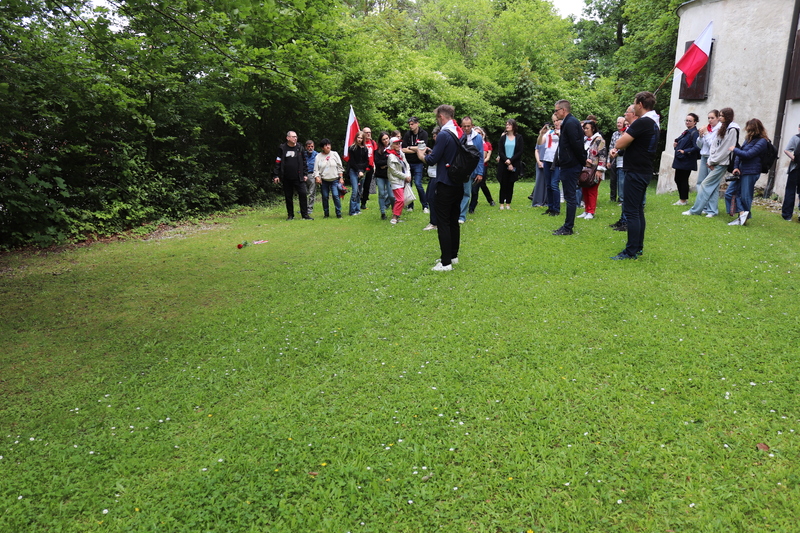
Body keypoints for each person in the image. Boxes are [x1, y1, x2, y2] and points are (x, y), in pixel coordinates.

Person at [609, 91, 659, 259]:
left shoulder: (643, 123)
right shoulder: (653, 122)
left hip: (635, 171)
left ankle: (631, 251)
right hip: (643, 170)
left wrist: (628, 132)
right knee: (637, 211)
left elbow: (619, 143)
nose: (631, 107)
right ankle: (637, 248)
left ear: (640, 104)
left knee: (631, 212)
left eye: (634, 102)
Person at [418, 105, 460, 271]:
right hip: (458, 182)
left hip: (445, 182)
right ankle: (453, 256)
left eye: (437, 118)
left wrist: (422, 155)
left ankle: (445, 263)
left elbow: (432, 160)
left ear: (442, 117)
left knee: (443, 222)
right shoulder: (457, 132)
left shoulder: (443, 134)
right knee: (453, 221)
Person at [683, 107, 740, 217]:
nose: (719, 118)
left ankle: (696, 210)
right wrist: (710, 159)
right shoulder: (723, 128)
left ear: (727, 117)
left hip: (721, 162)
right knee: (709, 185)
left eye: (721, 116)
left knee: (705, 184)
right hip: (712, 159)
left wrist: (713, 161)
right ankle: (711, 211)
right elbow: (713, 146)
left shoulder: (731, 129)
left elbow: (724, 149)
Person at [726, 118, 769, 226]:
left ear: (756, 129)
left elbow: (748, 154)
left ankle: (742, 218)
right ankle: (742, 213)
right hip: (741, 170)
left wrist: (734, 149)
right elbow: (740, 155)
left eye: (750, 130)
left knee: (745, 196)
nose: (748, 132)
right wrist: (735, 167)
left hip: (752, 171)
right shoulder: (748, 139)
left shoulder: (763, 141)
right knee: (729, 193)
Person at [552, 100, 586, 235]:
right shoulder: (568, 122)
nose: (555, 113)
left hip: (571, 165)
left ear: (563, 110)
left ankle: (568, 227)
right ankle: (567, 225)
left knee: (570, 196)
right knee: (568, 195)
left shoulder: (570, 123)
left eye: (556, 110)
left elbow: (576, 144)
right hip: (567, 164)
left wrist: (582, 161)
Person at [273, 131, 312, 220]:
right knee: (288, 196)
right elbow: (278, 161)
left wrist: (305, 174)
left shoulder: (300, 147)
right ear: (288, 138)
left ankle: (305, 215)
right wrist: (276, 175)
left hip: (299, 177)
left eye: (296, 137)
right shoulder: (282, 148)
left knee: (303, 194)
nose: (295, 138)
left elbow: (304, 161)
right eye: (293, 136)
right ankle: (290, 215)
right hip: (286, 177)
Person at [693, 109, 721, 215]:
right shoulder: (708, 129)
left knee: (712, 185)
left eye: (712, 118)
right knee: (700, 182)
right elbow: (700, 145)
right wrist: (701, 136)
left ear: (718, 118)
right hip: (704, 156)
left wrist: (706, 134)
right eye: (708, 118)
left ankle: (712, 209)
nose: (710, 120)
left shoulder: (719, 129)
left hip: (712, 158)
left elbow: (713, 145)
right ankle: (703, 206)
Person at [577, 120, 606, 220]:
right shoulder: (585, 140)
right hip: (586, 169)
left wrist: (599, 170)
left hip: (595, 169)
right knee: (585, 189)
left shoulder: (599, 140)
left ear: (593, 129)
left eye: (587, 128)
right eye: (584, 128)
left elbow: (602, 156)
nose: (585, 130)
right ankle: (586, 210)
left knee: (592, 190)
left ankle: (591, 211)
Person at [671, 113, 700, 206]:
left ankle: (683, 200)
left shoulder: (694, 133)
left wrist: (685, 151)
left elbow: (697, 147)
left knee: (682, 179)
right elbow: (681, 141)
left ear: (695, 122)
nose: (687, 122)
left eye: (690, 121)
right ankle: (682, 198)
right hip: (681, 159)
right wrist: (676, 144)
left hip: (687, 160)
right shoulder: (686, 132)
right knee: (678, 178)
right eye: (686, 120)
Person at [458, 116, 484, 223]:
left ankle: (462, 216)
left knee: (467, 193)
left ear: (472, 126)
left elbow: (480, 156)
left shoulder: (477, 138)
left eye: (468, 126)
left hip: (470, 170)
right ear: (461, 126)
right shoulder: (458, 136)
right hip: (458, 169)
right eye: (464, 126)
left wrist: (480, 172)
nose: (466, 128)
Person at [402, 117, 430, 213]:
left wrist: (410, 147)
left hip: (418, 162)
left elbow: (423, 148)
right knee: (408, 184)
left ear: (417, 124)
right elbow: (403, 149)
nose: (410, 126)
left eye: (412, 124)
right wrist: (416, 149)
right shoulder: (407, 134)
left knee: (418, 184)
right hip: (408, 163)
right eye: (409, 124)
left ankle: (425, 206)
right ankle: (410, 206)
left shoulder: (424, 134)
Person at [312, 138, 345, 218]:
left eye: (329, 145)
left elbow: (340, 167)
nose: (328, 147)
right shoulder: (318, 157)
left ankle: (338, 213)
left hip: (334, 179)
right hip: (324, 180)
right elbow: (316, 170)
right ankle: (326, 213)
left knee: (335, 195)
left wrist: (341, 177)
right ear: (322, 148)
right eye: (326, 145)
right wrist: (317, 177)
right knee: (325, 196)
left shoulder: (334, 154)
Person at [496, 119, 524, 210]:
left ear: (513, 126)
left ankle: (508, 203)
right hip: (503, 163)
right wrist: (506, 161)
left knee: (510, 184)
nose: (507, 126)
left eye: (509, 125)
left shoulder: (519, 137)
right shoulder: (503, 138)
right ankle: (501, 204)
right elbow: (500, 151)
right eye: (506, 124)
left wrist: (511, 161)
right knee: (503, 184)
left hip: (514, 163)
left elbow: (519, 151)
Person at [469, 127, 495, 213]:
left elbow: (487, 157)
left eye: (479, 133)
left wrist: (480, 162)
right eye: (476, 133)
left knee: (479, 186)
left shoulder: (486, 144)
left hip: (482, 167)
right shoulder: (469, 142)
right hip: (471, 167)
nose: (477, 134)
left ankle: (472, 207)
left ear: (483, 134)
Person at [387, 136, 411, 225]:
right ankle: (394, 217)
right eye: (396, 143)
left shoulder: (400, 153)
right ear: (392, 145)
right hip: (396, 180)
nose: (398, 145)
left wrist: (408, 175)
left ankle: (396, 217)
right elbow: (393, 171)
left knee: (401, 199)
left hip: (403, 179)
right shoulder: (391, 156)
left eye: (399, 143)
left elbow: (406, 165)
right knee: (400, 199)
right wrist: (405, 176)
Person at [541, 117, 562, 216]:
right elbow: (539, 142)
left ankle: (556, 209)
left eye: (557, 121)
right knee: (548, 185)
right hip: (547, 159)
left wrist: (560, 135)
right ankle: (550, 207)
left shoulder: (564, 131)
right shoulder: (549, 132)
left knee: (554, 185)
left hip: (557, 162)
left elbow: (567, 143)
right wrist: (541, 133)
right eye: (554, 121)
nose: (556, 123)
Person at [423, 126, 441, 231]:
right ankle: (435, 221)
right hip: (433, 175)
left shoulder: (441, 145)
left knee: (432, 198)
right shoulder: (438, 145)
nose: (434, 138)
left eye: (435, 136)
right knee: (430, 197)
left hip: (436, 175)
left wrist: (424, 155)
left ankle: (434, 222)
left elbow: (435, 160)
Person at [347, 131, 369, 216]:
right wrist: (358, 170)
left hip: (362, 171)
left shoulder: (365, 149)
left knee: (360, 191)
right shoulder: (352, 148)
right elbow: (352, 162)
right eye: (358, 137)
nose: (359, 139)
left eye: (361, 138)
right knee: (355, 190)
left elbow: (366, 161)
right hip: (353, 170)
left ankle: (357, 208)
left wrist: (362, 170)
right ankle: (352, 211)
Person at [780, 123, 800, 221]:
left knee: (790, 190)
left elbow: (786, 150)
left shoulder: (795, 138)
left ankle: (787, 214)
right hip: (796, 168)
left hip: (795, 168)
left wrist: (794, 158)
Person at [529, 123, 550, 207]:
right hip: (540, 161)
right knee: (539, 182)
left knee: (548, 182)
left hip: (548, 161)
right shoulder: (541, 139)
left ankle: (546, 201)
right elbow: (536, 150)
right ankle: (538, 201)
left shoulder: (551, 139)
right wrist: (538, 161)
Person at [373, 131, 392, 220]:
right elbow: (378, 162)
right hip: (380, 175)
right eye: (383, 139)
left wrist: (385, 164)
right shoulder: (378, 151)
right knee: (381, 193)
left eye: (387, 139)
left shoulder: (392, 149)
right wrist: (386, 163)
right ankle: (383, 212)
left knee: (391, 195)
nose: (385, 141)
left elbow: (393, 162)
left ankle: (395, 211)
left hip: (390, 175)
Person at [607, 117, 625, 202]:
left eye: (620, 123)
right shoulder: (614, 134)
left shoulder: (626, 134)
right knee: (613, 180)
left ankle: (621, 199)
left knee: (621, 181)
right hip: (614, 159)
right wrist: (608, 160)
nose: (618, 124)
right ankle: (612, 198)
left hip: (622, 159)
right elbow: (611, 146)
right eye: (617, 122)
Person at [361, 127, 378, 210]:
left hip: (370, 167)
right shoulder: (360, 142)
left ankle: (363, 203)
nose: (368, 134)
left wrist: (375, 165)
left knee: (367, 186)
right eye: (366, 132)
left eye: (369, 132)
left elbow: (376, 154)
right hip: (362, 168)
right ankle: (357, 202)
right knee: (360, 186)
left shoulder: (372, 142)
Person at [304, 140, 319, 215]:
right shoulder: (302, 154)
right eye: (309, 146)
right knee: (303, 192)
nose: (310, 148)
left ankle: (309, 208)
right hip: (303, 175)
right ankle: (303, 208)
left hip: (312, 174)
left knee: (311, 192)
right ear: (306, 147)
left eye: (312, 146)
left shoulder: (317, 155)